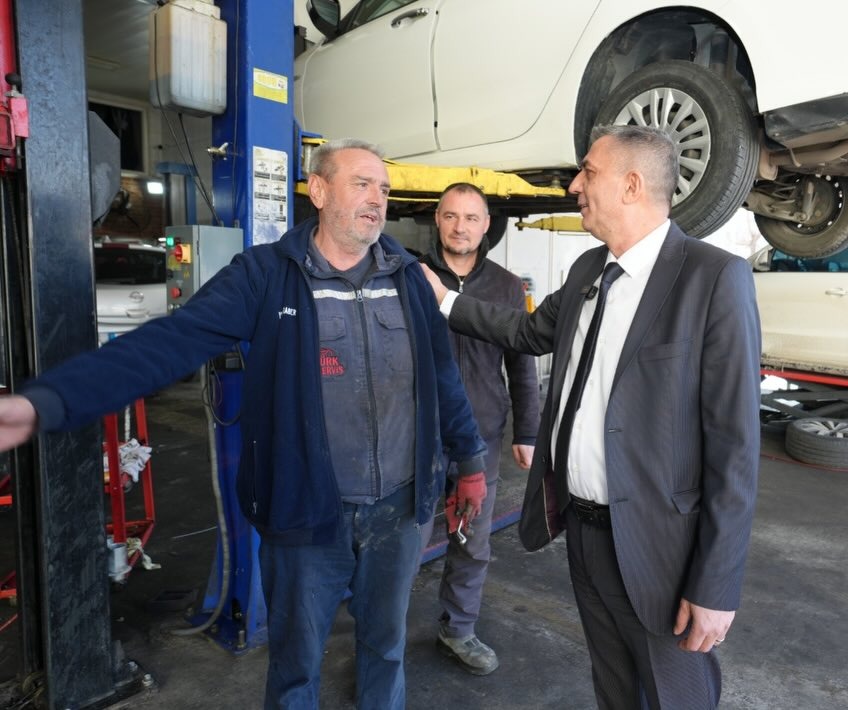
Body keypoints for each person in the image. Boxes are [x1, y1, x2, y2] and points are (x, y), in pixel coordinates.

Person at [0, 139, 488, 710]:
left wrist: (470, 462)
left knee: (385, 647)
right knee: (296, 663)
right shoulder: (265, 276)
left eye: (382, 188)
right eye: (361, 184)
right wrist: (47, 402)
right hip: (307, 512)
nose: (376, 199)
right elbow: (170, 342)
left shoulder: (409, 278)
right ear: (319, 190)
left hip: (399, 509)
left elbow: (442, 377)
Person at [420, 125, 762, 709]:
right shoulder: (588, 270)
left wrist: (716, 584)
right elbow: (526, 332)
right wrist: (445, 300)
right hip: (583, 532)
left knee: (673, 696)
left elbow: (735, 446)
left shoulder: (712, 278)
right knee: (614, 687)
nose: (575, 185)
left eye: (589, 172)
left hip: (661, 549)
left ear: (631, 185)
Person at [419, 182, 540, 675]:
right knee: (402, 541)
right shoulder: (414, 276)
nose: (460, 227)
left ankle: (458, 629)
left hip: (482, 437)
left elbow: (522, 361)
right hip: (419, 436)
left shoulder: (508, 286)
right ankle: (379, 633)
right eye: (451, 216)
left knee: (471, 540)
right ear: (437, 219)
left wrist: (527, 430)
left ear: (487, 224)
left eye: (471, 218)